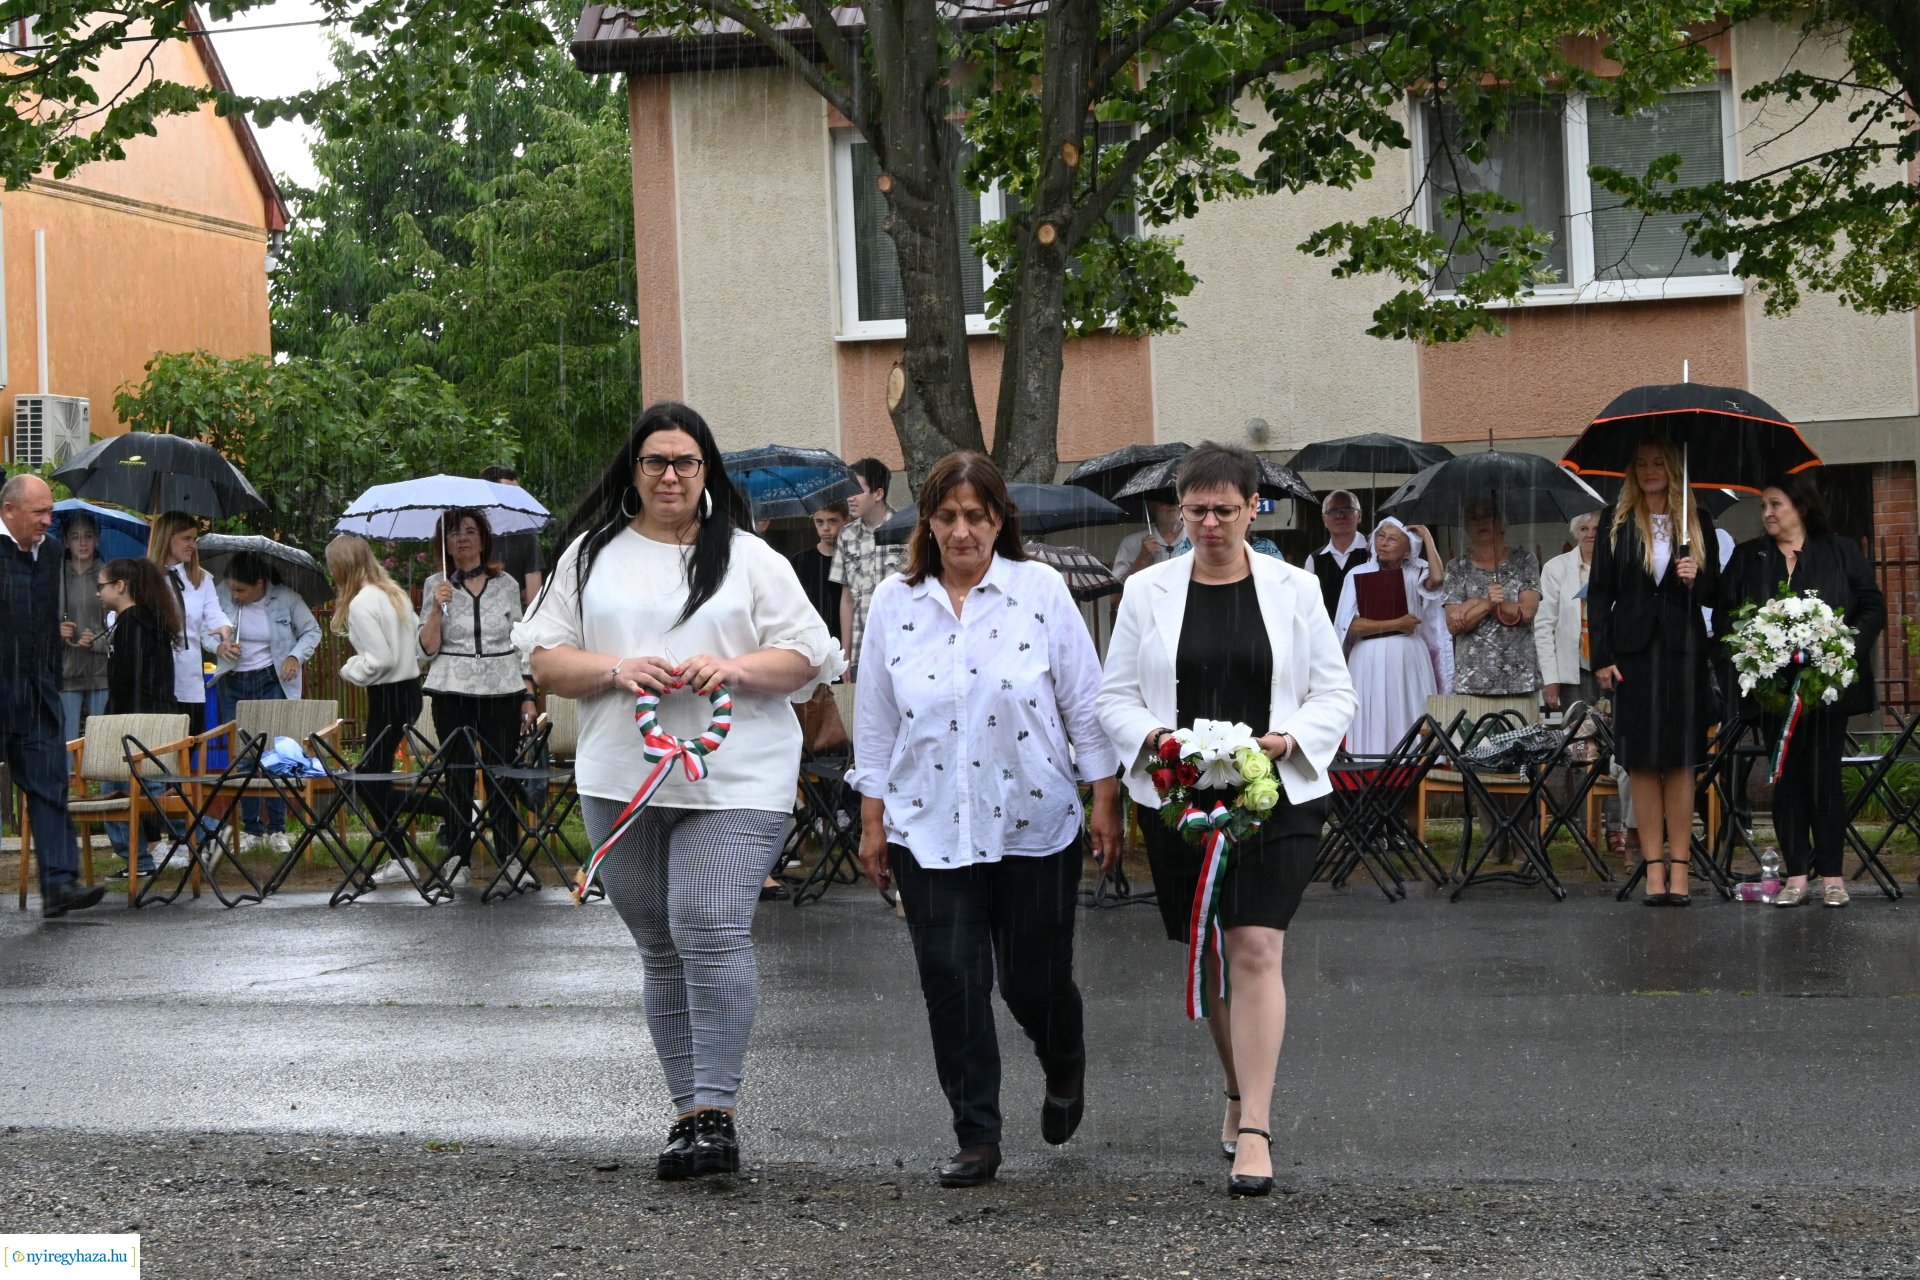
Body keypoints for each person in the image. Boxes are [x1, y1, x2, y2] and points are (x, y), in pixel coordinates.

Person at [514, 402, 841, 1183]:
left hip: (738, 774)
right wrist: (613, 670)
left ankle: (718, 1115)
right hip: (620, 776)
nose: (670, 474)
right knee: (660, 942)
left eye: (685, 462)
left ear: (706, 473)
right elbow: (544, 659)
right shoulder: (591, 556)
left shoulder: (753, 559)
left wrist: (731, 670)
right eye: (656, 461)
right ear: (633, 472)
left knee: (708, 923)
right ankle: (689, 1114)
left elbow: (808, 656)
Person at [851, 452, 1122, 1190]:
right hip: (926, 824)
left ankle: (1063, 1055)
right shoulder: (894, 604)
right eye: (947, 516)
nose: (962, 530)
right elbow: (874, 719)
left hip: (1035, 819)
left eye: (976, 515)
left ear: (1001, 520)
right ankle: (977, 1134)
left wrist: (1106, 797)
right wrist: (872, 818)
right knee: (952, 980)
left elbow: (1084, 699)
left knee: (1032, 981)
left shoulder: (1039, 591)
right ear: (928, 524)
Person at [1097, 442, 1356, 1199]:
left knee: (1253, 947)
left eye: (1225, 510)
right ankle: (1237, 1085)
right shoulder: (1145, 592)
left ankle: (1256, 1128)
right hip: (1180, 801)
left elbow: (1332, 694)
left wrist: (1290, 741)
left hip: (1276, 795)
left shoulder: (1295, 589)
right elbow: (1115, 698)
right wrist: (1156, 742)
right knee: (1211, 953)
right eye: (1196, 509)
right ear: (1179, 510)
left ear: (1253, 509)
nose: (1210, 523)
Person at [1719, 473, 1884, 909]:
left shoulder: (1840, 551)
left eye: (1776, 505)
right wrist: (1752, 655)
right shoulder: (1748, 556)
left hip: (1825, 690)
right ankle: (1795, 877)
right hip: (1773, 694)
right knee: (1786, 781)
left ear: (1801, 507)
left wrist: (1845, 649)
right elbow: (1724, 618)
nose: (1768, 514)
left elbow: (1872, 606)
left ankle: (1832, 876)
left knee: (1824, 780)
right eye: (1763, 507)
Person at [1590, 440, 1720, 907]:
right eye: (1641, 463)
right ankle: (1652, 870)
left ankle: (1681, 869)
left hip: (1683, 651)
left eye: (1658, 462)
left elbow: (1714, 595)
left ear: (1674, 468)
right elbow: (1599, 593)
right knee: (1642, 761)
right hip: (1634, 655)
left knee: (1680, 760)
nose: (1649, 471)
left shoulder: (1696, 522)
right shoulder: (1615, 521)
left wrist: (1694, 576)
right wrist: (1601, 655)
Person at [2, 475, 107, 917]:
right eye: (40, 513)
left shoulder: (48, 556)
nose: (49, 521)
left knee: (50, 785)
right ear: (9, 511)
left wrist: (51, 676)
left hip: (38, 692)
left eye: (50, 512)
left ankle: (60, 886)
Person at [418, 507, 537, 887]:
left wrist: (528, 693)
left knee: (502, 772)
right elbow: (426, 649)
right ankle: (457, 856)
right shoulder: (434, 584)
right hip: (452, 690)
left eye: (470, 531)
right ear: (445, 544)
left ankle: (508, 855)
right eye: (454, 533)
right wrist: (437, 607)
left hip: (502, 690)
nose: (463, 539)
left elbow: (521, 641)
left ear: (483, 540)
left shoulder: (505, 584)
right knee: (457, 775)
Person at [325, 533, 435, 886]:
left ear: (341, 567)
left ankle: (410, 850)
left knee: (369, 781)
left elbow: (380, 660)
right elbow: (419, 653)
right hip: (409, 692)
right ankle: (402, 854)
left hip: (387, 698)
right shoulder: (395, 594)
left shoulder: (361, 604)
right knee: (374, 778)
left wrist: (349, 669)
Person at [213, 550, 323, 856]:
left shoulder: (286, 598)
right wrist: (220, 645)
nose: (234, 595)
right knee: (244, 756)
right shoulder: (221, 592)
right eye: (232, 588)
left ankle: (277, 830)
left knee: (276, 754)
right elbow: (203, 629)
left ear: (259, 584)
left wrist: (294, 656)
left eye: (241, 590)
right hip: (234, 682)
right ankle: (252, 830)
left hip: (274, 680)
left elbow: (312, 630)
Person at [1536, 511, 1625, 855]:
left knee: (1617, 750)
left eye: (1597, 529)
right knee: (1579, 750)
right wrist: (1551, 679)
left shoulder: (1619, 564)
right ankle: (1581, 823)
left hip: (1614, 668)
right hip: (1574, 671)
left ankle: (1616, 828)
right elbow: (1544, 625)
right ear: (1575, 533)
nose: (1591, 534)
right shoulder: (1557, 568)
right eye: (1584, 529)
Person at [97, 556, 185, 883]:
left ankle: (198, 834)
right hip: (152, 714)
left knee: (118, 791)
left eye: (102, 585)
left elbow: (127, 679)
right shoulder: (148, 619)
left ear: (121, 587)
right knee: (152, 791)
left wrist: (117, 723)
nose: (98, 592)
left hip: (134, 720)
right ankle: (194, 837)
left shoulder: (132, 622)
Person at [1333, 517, 1448, 756]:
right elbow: (1350, 626)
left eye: (1392, 539)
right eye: (1380, 536)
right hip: (1367, 657)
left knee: (1407, 713)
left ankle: (1413, 771)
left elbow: (1437, 580)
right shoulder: (1359, 573)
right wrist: (1397, 623)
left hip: (1408, 657)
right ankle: (1370, 770)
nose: (1383, 543)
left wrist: (1427, 536)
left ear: (1408, 549)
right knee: (1372, 714)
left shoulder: (1417, 572)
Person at [1442, 499, 1543, 721]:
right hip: (1472, 682)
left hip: (1519, 679)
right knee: (1473, 750)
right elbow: (1454, 624)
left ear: (1501, 522)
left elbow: (1526, 612)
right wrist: (1487, 602)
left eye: (1488, 514)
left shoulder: (1525, 560)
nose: (1481, 521)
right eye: (1474, 517)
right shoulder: (1456, 568)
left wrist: (1471, 606)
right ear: (1466, 527)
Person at [147, 512, 233, 727]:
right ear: (167, 538)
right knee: (160, 745)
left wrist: (224, 628)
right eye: (186, 539)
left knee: (192, 739)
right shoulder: (145, 577)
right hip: (156, 675)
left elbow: (214, 613)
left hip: (190, 676)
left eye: (195, 539)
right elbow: (120, 616)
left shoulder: (202, 579)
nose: (193, 545)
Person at [831, 456, 904, 676]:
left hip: (899, 644)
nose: (849, 498)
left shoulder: (905, 530)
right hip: (860, 649)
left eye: (856, 490)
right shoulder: (846, 535)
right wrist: (846, 653)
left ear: (878, 494)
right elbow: (846, 598)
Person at [57, 510, 110, 743]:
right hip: (66, 671)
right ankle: (67, 781)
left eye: (88, 536)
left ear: (97, 539)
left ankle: (100, 781)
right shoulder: (54, 576)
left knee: (101, 741)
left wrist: (97, 641)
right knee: (66, 744)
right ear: (66, 541)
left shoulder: (109, 576)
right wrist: (57, 632)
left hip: (102, 673)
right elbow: (40, 623)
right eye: (75, 536)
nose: (82, 542)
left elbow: (119, 624)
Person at [480, 464, 545, 606]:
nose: (514, 501)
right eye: (508, 494)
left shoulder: (526, 535)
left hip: (511, 619)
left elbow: (533, 599)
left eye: (517, 494)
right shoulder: (467, 533)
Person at [1302, 490, 1369, 617]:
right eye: (1333, 511)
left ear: (1359, 516)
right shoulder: (1314, 560)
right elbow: (1308, 604)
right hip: (1329, 635)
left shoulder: (1374, 551)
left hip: (1371, 634)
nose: (1340, 516)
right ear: (1324, 520)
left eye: (1348, 509)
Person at [788, 501, 846, 642]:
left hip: (844, 637)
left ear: (846, 521)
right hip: (811, 638)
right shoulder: (799, 561)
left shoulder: (853, 559)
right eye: (819, 522)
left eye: (832, 521)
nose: (826, 528)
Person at [1112, 499, 1189, 581]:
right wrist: (1142, 559)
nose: (1172, 504)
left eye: (1176, 499)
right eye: (1164, 498)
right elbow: (1118, 592)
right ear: (1152, 507)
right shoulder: (1131, 542)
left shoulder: (1197, 539)